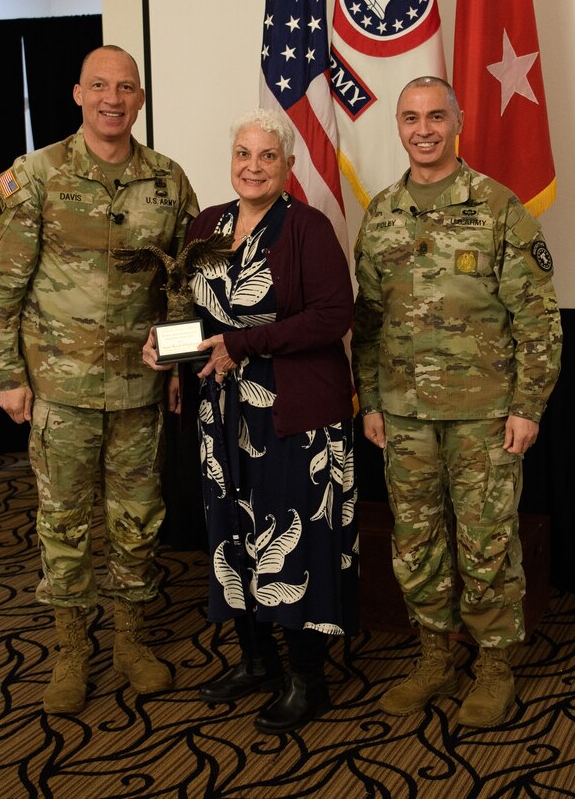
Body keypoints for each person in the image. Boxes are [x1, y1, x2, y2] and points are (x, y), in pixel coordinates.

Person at [0, 45, 198, 715]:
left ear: (139, 98)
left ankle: (129, 640)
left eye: (125, 87)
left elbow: (185, 284)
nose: (112, 98)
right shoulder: (35, 175)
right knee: (64, 521)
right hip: (60, 387)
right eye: (99, 86)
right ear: (77, 93)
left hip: (139, 388)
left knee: (136, 521)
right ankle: (72, 648)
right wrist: (6, 375)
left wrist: (180, 359)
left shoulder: (167, 179)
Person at [351, 77, 562, 728]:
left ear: (456, 122)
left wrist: (528, 405)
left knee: (486, 542)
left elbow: (537, 318)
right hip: (405, 414)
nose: (423, 129)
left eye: (435, 116)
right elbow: (367, 320)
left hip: (483, 414)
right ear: (398, 125)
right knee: (415, 541)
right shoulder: (381, 213)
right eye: (411, 117)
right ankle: (434, 656)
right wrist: (369, 400)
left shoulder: (498, 207)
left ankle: (494, 666)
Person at [144, 108, 358, 734]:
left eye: (267, 156)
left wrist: (247, 344)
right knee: (234, 538)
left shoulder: (308, 228)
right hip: (222, 411)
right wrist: (165, 347)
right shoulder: (207, 225)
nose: (253, 166)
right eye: (244, 153)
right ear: (230, 159)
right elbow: (194, 317)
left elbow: (332, 315)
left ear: (288, 165)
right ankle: (256, 661)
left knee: (294, 537)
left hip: (294, 416)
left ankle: (307, 679)